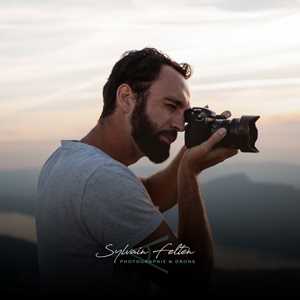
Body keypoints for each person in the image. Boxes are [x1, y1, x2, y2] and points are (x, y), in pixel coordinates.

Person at [36, 47, 238, 296]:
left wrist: (191, 149)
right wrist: (188, 173)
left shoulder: (67, 161)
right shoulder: (102, 178)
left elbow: (149, 194)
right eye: (170, 106)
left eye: (184, 115)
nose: (179, 125)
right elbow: (193, 278)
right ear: (126, 98)